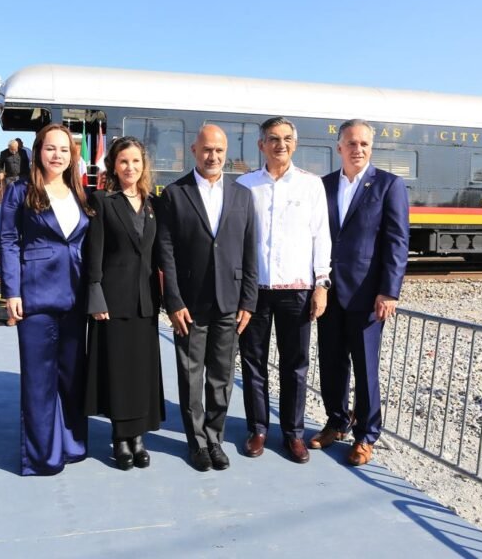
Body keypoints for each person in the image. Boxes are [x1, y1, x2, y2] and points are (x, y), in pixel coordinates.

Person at [156, 124, 258, 472]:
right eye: (207, 150)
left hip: (230, 301)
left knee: (222, 376)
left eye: (219, 150)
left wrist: (248, 301)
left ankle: (215, 438)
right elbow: (166, 253)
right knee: (191, 375)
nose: (213, 156)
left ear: (226, 153)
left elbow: (250, 252)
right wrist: (173, 301)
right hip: (190, 303)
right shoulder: (175, 194)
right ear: (194, 151)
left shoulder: (242, 195)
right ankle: (196, 443)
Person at [312, 119, 409, 466]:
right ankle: (336, 421)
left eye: (364, 144)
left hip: (367, 295)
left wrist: (389, 291)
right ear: (339, 147)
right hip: (328, 292)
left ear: (371, 148)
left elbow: (397, 241)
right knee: (330, 362)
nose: (358, 149)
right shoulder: (322, 186)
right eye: (351, 143)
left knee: (365, 368)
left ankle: (366, 436)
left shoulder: (388, 185)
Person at [0, 123, 94, 476]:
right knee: (39, 380)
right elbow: (8, 241)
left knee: (71, 375)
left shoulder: (80, 192)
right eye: (51, 148)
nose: (57, 155)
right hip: (35, 294)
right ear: (38, 151)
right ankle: (43, 456)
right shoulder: (20, 191)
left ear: (72, 156)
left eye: (64, 149)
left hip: (75, 295)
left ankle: (71, 444)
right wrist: (11, 291)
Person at [236, 117, 332, 464]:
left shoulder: (311, 185)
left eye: (287, 138)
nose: (281, 145)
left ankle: (293, 433)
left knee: (295, 365)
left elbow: (321, 236)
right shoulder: (244, 185)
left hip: (297, 290)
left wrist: (321, 284)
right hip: (255, 291)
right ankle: (258, 429)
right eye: (274, 139)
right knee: (253, 363)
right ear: (261, 144)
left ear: (295, 143)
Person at [84, 136, 164, 470]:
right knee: (117, 371)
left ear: (144, 165)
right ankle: (120, 437)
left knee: (140, 371)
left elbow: (158, 254)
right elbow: (94, 251)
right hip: (112, 301)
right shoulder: (103, 201)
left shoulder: (152, 204)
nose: (130, 167)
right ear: (113, 166)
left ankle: (138, 436)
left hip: (145, 301)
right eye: (123, 162)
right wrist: (95, 294)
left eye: (135, 161)